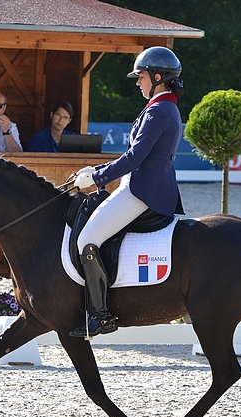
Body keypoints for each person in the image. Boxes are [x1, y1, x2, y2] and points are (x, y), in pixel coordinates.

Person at [69, 46, 185, 338]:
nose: (138, 82)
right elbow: (133, 154)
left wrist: (97, 178)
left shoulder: (159, 110)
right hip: (143, 184)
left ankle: (101, 315)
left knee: (87, 239)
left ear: (158, 76)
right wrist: (95, 170)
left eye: (141, 76)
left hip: (141, 191)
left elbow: (135, 159)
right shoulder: (160, 106)